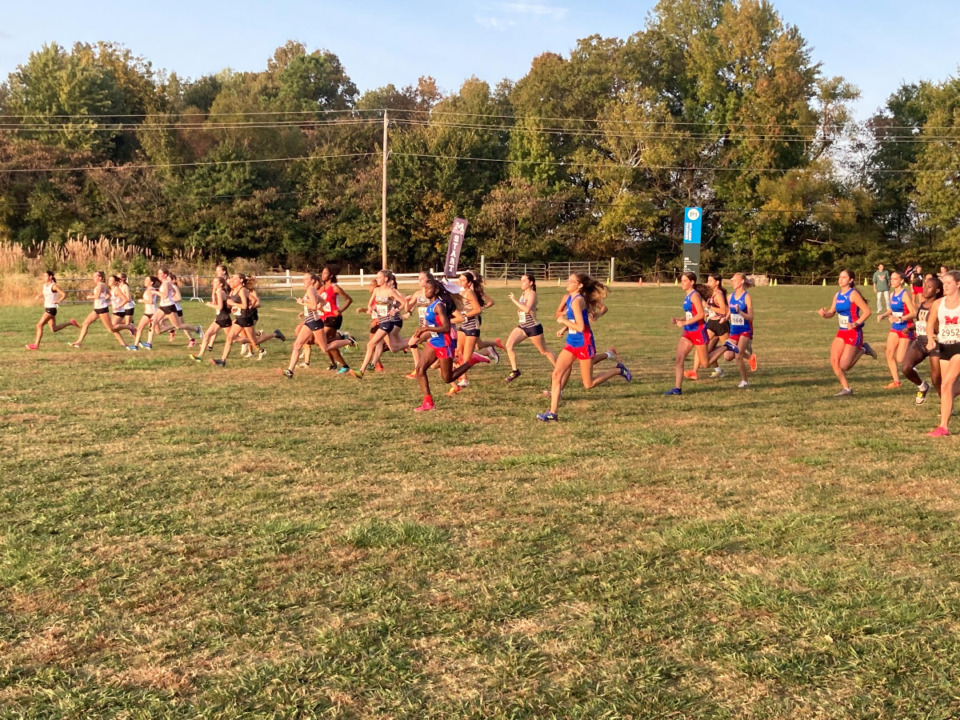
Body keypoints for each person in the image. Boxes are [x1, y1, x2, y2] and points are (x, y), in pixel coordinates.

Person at [537, 274, 630, 421]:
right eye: (568, 279)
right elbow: (577, 321)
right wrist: (564, 329)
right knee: (556, 375)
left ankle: (619, 370)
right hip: (571, 342)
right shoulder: (570, 298)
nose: (568, 282)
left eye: (572, 281)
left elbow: (581, 327)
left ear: (579, 285)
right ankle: (552, 413)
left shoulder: (577, 301)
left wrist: (563, 322)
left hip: (583, 343)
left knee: (588, 384)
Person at [408, 277, 491, 412]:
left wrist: (426, 329)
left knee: (448, 378)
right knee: (420, 370)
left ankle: (473, 360)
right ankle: (428, 402)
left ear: (436, 290)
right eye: (425, 289)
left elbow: (446, 328)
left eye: (429, 289)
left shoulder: (439, 306)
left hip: (444, 344)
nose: (426, 291)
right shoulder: (430, 306)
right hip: (435, 342)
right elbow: (434, 326)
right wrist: (420, 337)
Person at [281, 274, 354, 378]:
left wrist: (303, 303)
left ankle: (349, 341)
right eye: (303, 279)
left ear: (312, 281)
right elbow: (323, 303)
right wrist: (307, 310)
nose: (303, 281)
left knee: (325, 348)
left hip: (315, 322)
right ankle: (290, 371)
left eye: (306, 279)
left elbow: (314, 306)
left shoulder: (311, 290)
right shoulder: (311, 290)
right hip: (309, 321)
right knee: (297, 344)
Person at [816, 269, 876, 396]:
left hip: (854, 332)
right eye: (840, 277)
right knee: (834, 362)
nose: (840, 279)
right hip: (841, 331)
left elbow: (867, 311)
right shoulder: (837, 295)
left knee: (844, 366)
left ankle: (863, 349)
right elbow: (831, 312)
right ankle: (847, 389)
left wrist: (856, 323)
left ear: (851, 280)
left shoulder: (853, 294)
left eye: (844, 277)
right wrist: (824, 314)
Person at [925, 270, 960, 437]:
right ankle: (944, 426)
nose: (945, 286)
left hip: (959, 347)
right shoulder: (938, 304)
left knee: (946, 384)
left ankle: (943, 426)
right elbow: (930, 323)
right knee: (948, 388)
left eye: (949, 283)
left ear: (958, 284)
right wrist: (931, 339)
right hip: (944, 346)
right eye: (943, 283)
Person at [504, 273, 556, 382]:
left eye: (524, 281)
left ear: (531, 282)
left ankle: (559, 368)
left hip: (533, 327)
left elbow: (527, 309)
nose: (521, 283)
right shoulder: (523, 294)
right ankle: (515, 371)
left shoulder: (532, 294)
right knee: (509, 345)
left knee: (544, 351)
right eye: (521, 280)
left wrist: (514, 300)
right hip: (523, 326)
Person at [665, 272, 710, 396]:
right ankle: (677, 389)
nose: (682, 283)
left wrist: (684, 323)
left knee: (705, 364)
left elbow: (701, 315)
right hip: (688, 332)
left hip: (698, 331)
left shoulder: (695, 295)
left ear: (692, 282)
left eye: (685, 281)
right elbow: (691, 313)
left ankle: (726, 346)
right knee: (679, 359)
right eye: (681, 280)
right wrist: (680, 319)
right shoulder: (687, 295)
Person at [901, 275, 943, 405]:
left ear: (936, 291)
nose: (925, 289)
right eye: (925, 286)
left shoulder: (939, 305)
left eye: (929, 287)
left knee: (936, 378)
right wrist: (911, 328)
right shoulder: (922, 304)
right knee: (906, 367)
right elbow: (921, 321)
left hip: (935, 343)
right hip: (920, 341)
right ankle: (922, 386)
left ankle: (946, 405)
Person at [706, 272, 754, 388]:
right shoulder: (730, 297)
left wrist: (740, 312)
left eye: (735, 280)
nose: (733, 282)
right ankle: (750, 357)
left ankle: (745, 381)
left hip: (745, 329)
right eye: (732, 280)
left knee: (738, 355)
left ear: (742, 281)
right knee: (728, 357)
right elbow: (728, 312)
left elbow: (751, 317)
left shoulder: (746, 297)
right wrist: (725, 318)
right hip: (734, 330)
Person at [69, 271, 135, 348]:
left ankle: (129, 327)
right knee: (85, 323)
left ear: (100, 278)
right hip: (97, 309)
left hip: (102, 310)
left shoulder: (101, 285)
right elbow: (109, 294)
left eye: (95, 276)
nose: (93, 278)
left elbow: (97, 296)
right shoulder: (102, 285)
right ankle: (79, 342)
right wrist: (104, 299)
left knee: (112, 328)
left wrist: (90, 297)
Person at [877, 270, 916, 389]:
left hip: (905, 328)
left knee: (900, 358)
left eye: (895, 279)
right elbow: (892, 310)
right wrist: (884, 315)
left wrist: (900, 318)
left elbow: (914, 312)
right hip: (895, 328)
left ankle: (915, 349)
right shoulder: (892, 294)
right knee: (889, 353)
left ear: (901, 280)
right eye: (891, 279)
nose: (892, 281)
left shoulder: (904, 294)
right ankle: (896, 381)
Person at [688, 273, 728, 380]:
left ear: (717, 282)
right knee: (702, 346)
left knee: (730, 354)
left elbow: (723, 310)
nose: (708, 283)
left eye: (710, 281)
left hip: (720, 325)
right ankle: (694, 371)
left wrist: (708, 306)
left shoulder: (718, 294)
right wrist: (706, 312)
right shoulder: (712, 294)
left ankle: (745, 353)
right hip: (711, 323)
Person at [26, 270, 77, 350]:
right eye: (43, 276)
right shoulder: (45, 285)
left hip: (51, 309)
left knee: (39, 325)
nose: (44, 277)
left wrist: (59, 301)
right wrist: (38, 296)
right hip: (47, 308)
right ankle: (70, 323)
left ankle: (36, 345)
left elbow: (64, 294)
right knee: (54, 329)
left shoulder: (54, 286)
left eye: (45, 276)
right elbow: (44, 293)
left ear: (50, 277)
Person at [319, 266, 353, 373]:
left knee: (323, 339)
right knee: (328, 344)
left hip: (334, 318)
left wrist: (340, 310)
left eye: (325, 273)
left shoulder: (335, 287)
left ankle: (348, 340)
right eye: (322, 273)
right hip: (325, 317)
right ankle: (343, 365)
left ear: (331, 275)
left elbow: (349, 299)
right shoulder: (322, 289)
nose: (322, 275)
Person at [131, 276, 163, 349]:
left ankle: (136, 345)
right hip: (152, 311)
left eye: (146, 280)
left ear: (151, 282)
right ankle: (145, 344)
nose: (144, 281)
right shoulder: (152, 289)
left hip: (150, 313)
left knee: (140, 328)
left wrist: (142, 300)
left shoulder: (150, 290)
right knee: (156, 330)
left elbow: (150, 301)